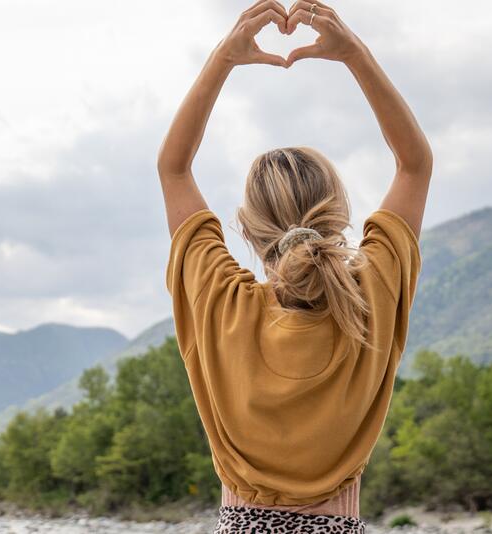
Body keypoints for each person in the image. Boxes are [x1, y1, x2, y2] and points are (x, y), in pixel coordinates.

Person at [158, 1, 431, 532]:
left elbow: (173, 167)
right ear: (340, 216)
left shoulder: (221, 304)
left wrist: (224, 58)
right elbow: (415, 163)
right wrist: (354, 54)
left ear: (248, 228)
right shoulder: (370, 296)